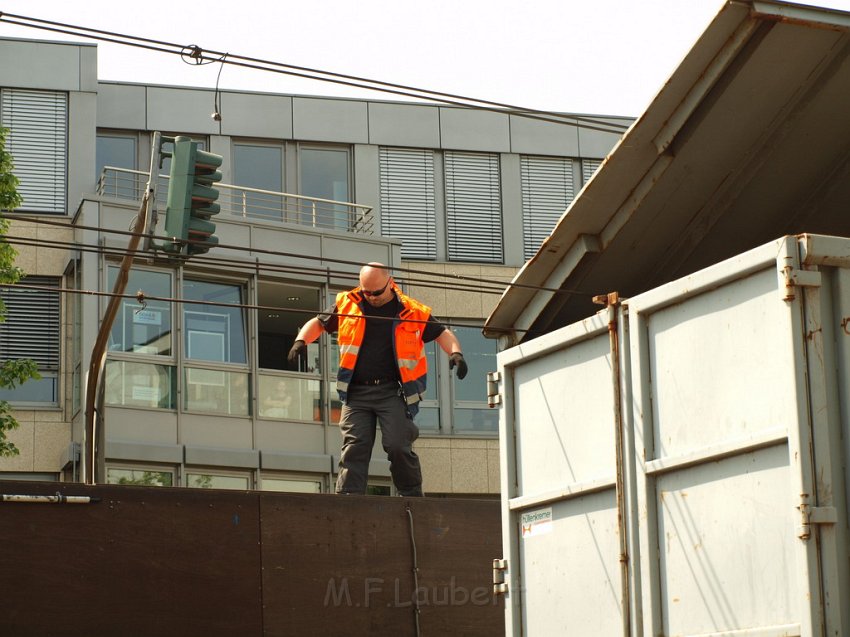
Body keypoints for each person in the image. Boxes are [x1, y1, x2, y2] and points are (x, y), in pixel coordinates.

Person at [287, 262, 467, 496]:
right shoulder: (348, 304)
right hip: (356, 393)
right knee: (355, 446)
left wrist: (456, 354)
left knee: (398, 446)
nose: (371, 297)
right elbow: (318, 323)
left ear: (390, 283)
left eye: (377, 292)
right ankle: (348, 500)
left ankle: (411, 497)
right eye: (366, 292)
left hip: (392, 392)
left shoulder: (412, 311)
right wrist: (301, 341)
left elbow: (442, 332)